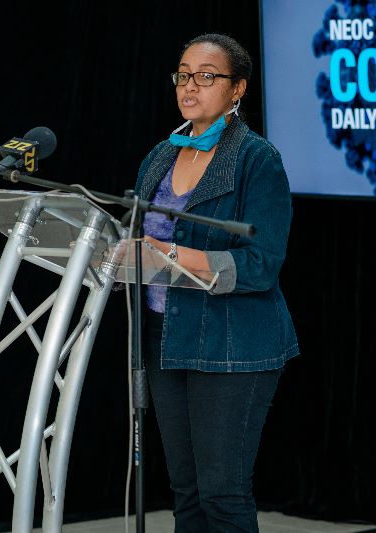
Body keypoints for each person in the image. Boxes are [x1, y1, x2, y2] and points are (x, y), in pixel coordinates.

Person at [134, 33, 299, 532]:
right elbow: (139, 240)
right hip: (164, 337)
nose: (190, 86)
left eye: (206, 76)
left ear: (237, 89)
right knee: (186, 493)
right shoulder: (160, 155)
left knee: (222, 494)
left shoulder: (256, 159)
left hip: (231, 340)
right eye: (183, 75)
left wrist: (172, 254)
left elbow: (261, 264)